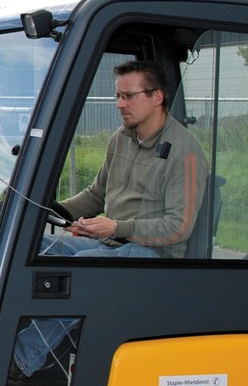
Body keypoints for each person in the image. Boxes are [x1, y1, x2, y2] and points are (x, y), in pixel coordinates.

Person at [45, 59, 209, 258]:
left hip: (153, 253)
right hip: (111, 242)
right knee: (35, 248)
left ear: (157, 97)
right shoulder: (121, 138)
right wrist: (46, 210)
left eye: (129, 96)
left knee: (81, 264)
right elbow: (97, 195)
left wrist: (116, 228)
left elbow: (178, 227)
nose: (120, 104)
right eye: (118, 96)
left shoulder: (184, 151)